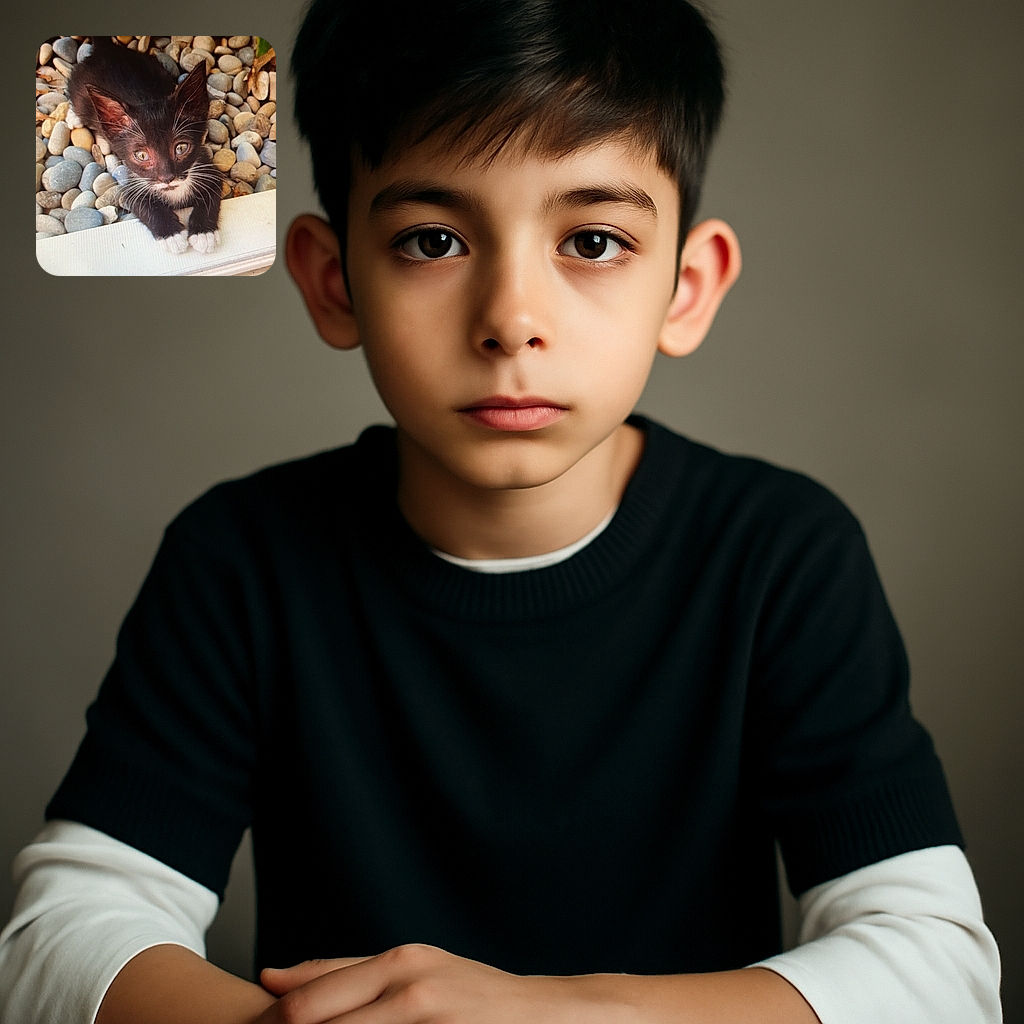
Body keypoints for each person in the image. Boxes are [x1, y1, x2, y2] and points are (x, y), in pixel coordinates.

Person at [0, 2, 1002, 1022]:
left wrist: (553, 1014)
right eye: (432, 240)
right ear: (332, 280)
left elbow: (933, 967)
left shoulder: (780, 554)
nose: (511, 319)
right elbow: (64, 935)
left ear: (685, 288)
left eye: (594, 239)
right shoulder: (243, 561)